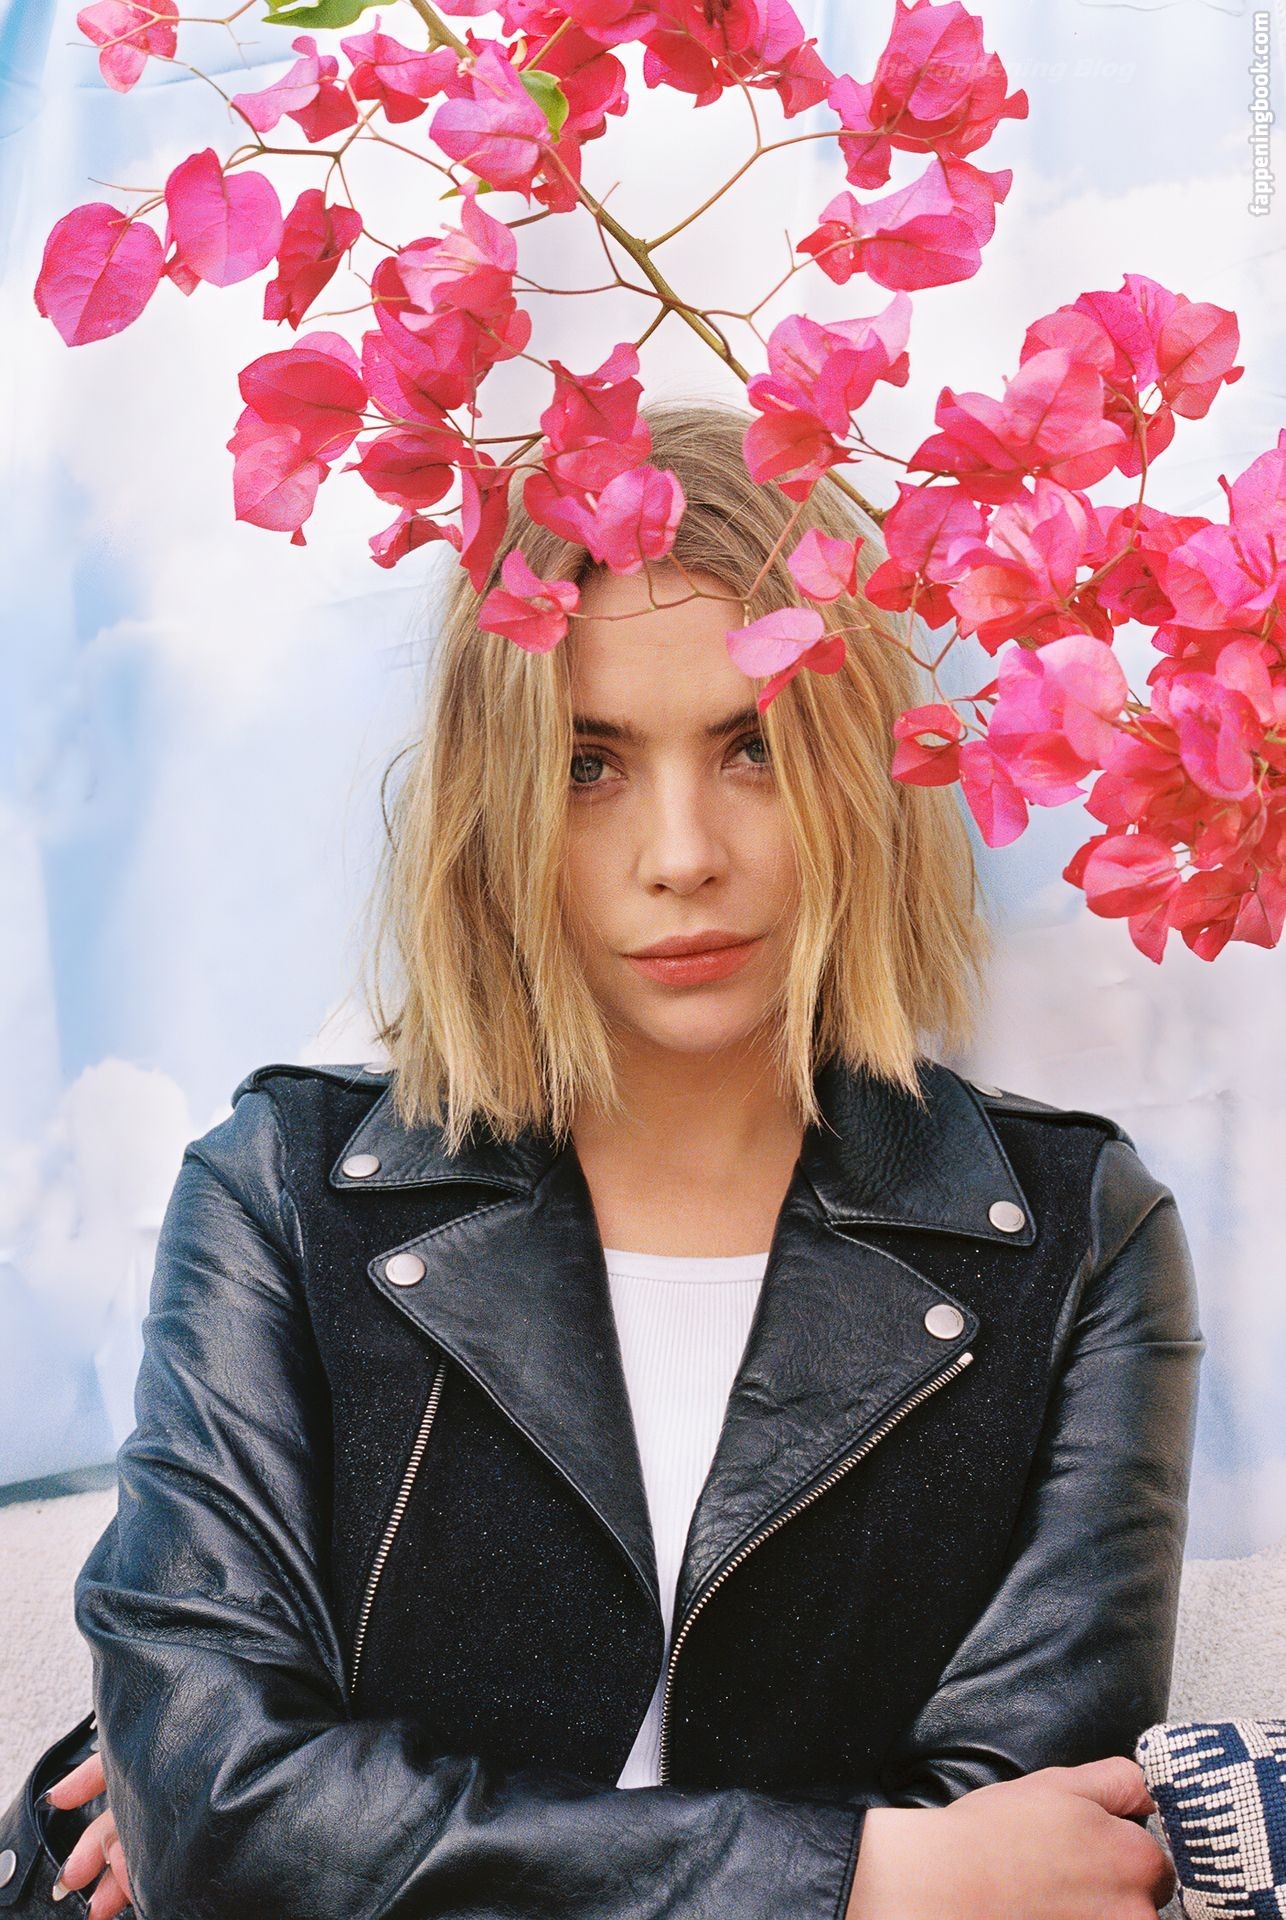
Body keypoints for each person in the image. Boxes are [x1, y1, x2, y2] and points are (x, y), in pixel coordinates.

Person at [36, 399, 1200, 1920]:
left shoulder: (1072, 1239)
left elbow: (1034, 1862)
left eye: (753, 748)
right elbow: (222, 1814)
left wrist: (351, 1836)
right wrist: (863, 1876)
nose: (680, 854)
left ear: (863, 766)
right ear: (495, 802)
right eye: (589, 765)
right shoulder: (282, 1191)